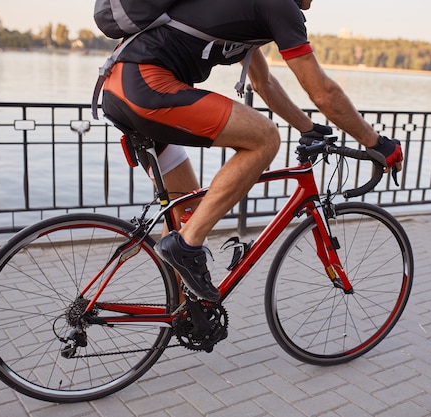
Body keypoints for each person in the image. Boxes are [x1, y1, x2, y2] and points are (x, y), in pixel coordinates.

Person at [101, 0, 403, 302]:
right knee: (265, 137)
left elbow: (264, 83)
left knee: (188, 216)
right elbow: (323, 91)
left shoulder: (249, 10)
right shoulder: (279, 6)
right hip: (147, 87)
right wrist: (377, 143)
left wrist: (308, 128)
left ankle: (182, 313)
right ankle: (187, 245)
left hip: (118, 89)